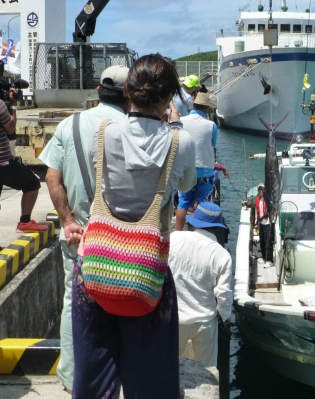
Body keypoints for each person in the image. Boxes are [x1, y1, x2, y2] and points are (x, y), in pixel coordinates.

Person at [72, 54, 197, 399]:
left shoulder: (104, 133)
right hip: (146, 269)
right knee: (152, 375)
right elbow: (186, 186)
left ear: (128, 90)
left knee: (92, 369)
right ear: (169, 97)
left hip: (95, 262)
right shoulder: (180, 141)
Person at [38, 65, 131, 393]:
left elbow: (52, 177)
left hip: (78, 235)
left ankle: (71, 376)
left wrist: (67, 220)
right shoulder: (134, 127)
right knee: (124, 307)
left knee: (73, 303)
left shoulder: (69, 124)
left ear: (97, 89)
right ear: (130, 94)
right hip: (122, 239)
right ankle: (119, 378)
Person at [0, 64, 47, 256]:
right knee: (32, 184)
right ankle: (25, 220)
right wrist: (13, 106)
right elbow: (10, 129)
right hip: (2, 161)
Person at [169, 202, 232, 367]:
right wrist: (226, 316)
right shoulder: (222, 254)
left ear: (195, 221)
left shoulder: (175, 238)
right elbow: (223, 294)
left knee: (168, 366)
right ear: (217, 227)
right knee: (207, 372)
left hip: (174, 317)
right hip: (205, 322)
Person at [175, 92, 218, 231]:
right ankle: (201, 233)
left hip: (186, 169)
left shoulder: (182, 120)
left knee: (183, 203)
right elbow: (213, 147)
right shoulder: (211, 125)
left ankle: (179, 233)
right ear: (206, 108)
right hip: (205, 171)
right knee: (203, 204)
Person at [254, 183, 274, 267]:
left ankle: (269, 260)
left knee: (268, 241)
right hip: (261, 223)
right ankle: (263, 257)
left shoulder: (268, 200)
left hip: (268, 222)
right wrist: (256, 223)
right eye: (259, 189)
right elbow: (256, 211)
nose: (260, 191)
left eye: (262, 189)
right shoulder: (257, 199)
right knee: (261, 240)